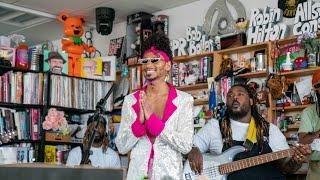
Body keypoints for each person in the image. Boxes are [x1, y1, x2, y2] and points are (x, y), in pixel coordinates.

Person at [188, 83, 311, 179]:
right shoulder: (215, 127)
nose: (234, 97)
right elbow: (190, 146)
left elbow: (286, 168)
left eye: (240, 94)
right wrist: (193, 149)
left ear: (251, 101)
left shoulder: (270, 130)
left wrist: (295, 161)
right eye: (230, 95)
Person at [115, 32, 194, 180]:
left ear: (168, 65)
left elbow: (185, 145)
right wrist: (139, 125)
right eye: (145, 61)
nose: (148, 65)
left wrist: (153, 122)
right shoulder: (131, 101)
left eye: (155, 60)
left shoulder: (184, 100)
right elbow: (121, 146)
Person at [298, 69, 320, 180]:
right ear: (315, 89)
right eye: (319, 85)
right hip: (316, 169)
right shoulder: (308, 112)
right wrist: (317, 133)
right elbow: (302, 140)